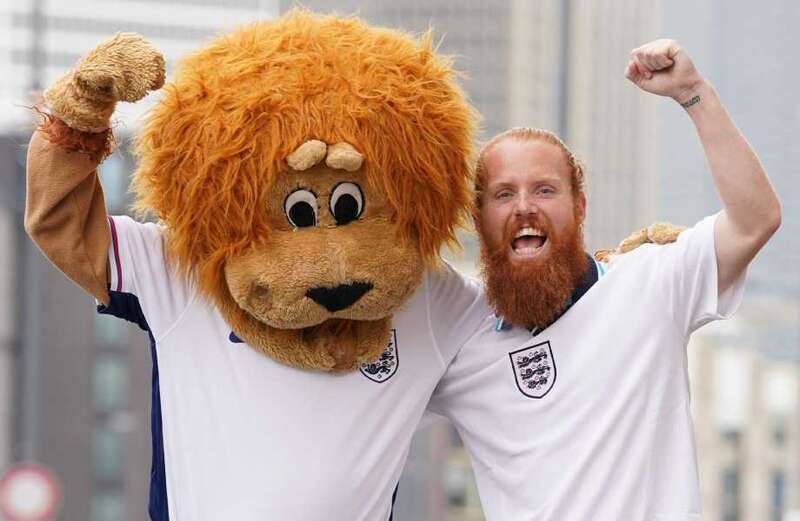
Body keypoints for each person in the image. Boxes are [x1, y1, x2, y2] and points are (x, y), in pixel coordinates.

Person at [428, 39, 781, 520]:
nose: (525, 207)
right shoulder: (457, 340)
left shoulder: (650, 285)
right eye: (504, 194)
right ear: (479, 219)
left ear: (580, 207)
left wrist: (693, 92)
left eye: (545, 190)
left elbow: (754, 220)